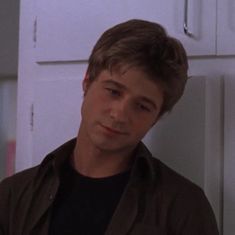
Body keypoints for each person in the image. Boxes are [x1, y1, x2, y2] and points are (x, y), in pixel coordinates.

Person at [0, 19, 219, 235]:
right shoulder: (13, 195)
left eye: (142, 106)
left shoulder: (183, 206)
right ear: (87, 81)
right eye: (113, 91)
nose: (119, 114)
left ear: (156, 117)